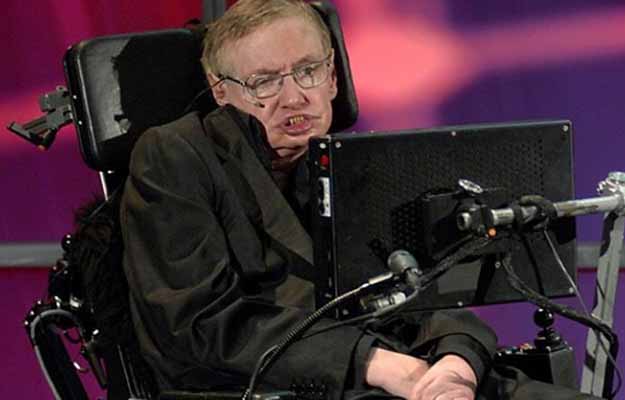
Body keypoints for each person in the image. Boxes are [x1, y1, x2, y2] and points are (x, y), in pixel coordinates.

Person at [120, 1, 598, 399]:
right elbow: (202, 324)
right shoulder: (175, 155)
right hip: (274, 383)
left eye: (308, 71)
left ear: (332, 76)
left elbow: (423, 290)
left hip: (402, 368)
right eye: (265, 81)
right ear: (222, 91)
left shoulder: (351, 161)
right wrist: (379, 365)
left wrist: (458, 359)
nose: (294, 97)